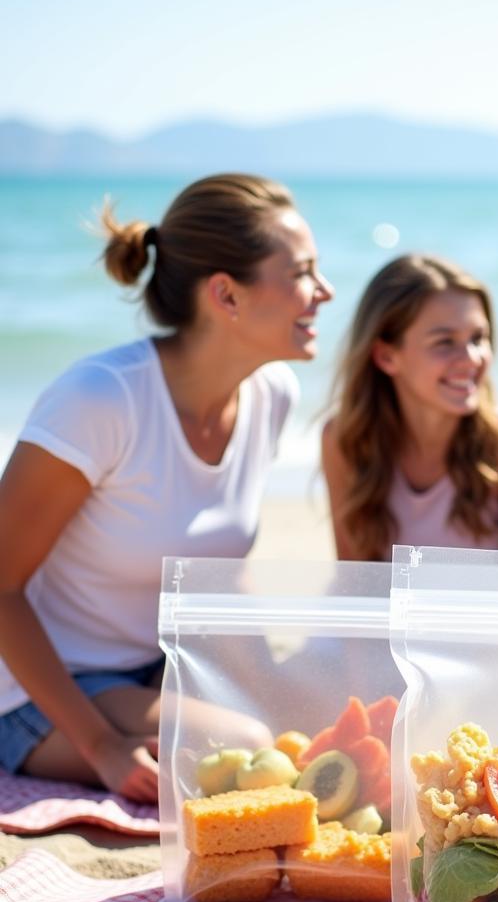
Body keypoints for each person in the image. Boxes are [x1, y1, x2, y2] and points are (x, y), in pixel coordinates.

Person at [0, 173, 334, 801]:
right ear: (226, 296)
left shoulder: (269, 396)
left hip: (155, 671)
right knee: (253, 753)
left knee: (317, 734)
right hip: (33, 684)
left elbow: (224, 586)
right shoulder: (102, 399)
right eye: (303, 273)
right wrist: (100, 748)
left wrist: (281, 699)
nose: (325, 291)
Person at [321, 253, 498, 560]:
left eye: (478, 338)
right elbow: (358, 587)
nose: (472, 358)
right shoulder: (344, 441)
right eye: (445, 342)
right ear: (386, 357)